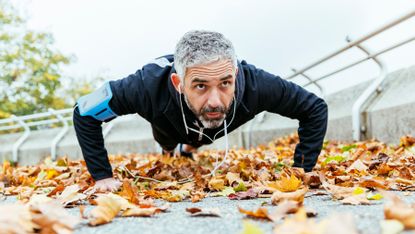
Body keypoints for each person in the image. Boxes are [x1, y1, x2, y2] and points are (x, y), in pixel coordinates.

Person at [73, 30, 328, 192]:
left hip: (214, 127)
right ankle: (173, 148)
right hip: (168, 123)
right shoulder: (144, 86)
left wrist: (301, 170)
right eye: (201, 86)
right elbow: (84, 113)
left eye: (225, 83)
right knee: (168, 140)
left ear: (235, 74)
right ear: (179, 84)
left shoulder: (257, 84)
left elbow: (315, 108)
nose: (215, 100)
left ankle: (190, 148)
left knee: (202, 133)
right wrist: (102, 176)